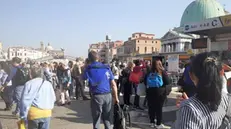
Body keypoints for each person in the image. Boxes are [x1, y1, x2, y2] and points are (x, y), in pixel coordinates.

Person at [173, 52, 228, 129]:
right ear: (222, 72)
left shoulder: (188, 110)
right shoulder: (228, 100)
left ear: (191, 76)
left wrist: (189, 106)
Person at [83, 51, 119, 129]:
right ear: (98, 58)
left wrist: (85, 66)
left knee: (96, 119)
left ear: (89, 59)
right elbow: (113, 84)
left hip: (96, 96)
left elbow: (82, 78)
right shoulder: (106, 68)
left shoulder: (88, 68)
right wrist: (116, 98)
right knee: (107, 118)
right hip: (108, 96)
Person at [19, 64, 56, 129]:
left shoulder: (29, 84)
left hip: (34, 113)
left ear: (31, 74)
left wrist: (23, 115)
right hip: (47, 113)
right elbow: (53, 98)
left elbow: (24, 101)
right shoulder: (48, 84)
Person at [144, 59, 170, 128]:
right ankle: (158, 124)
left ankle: (152, 122)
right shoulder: (162, 72)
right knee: (159, 108)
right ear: (160, 64)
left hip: (150, 92)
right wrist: (164, 71)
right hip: (160, 93)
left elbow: (145, 82)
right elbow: (167, 82)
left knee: (151, 107)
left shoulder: (149, 72)